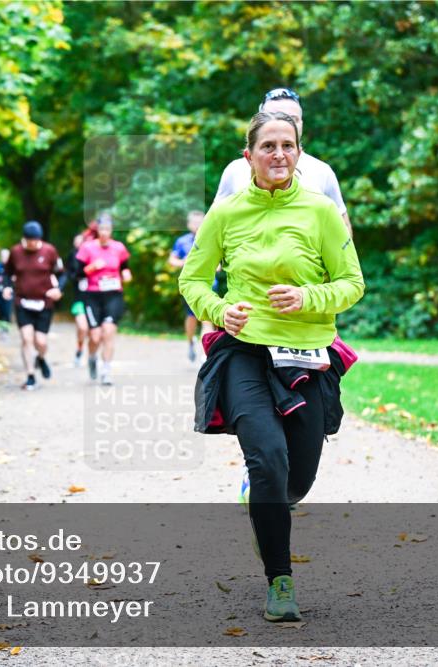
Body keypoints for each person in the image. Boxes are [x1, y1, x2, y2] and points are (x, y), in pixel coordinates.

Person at [179, 111, 364, 622]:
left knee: (295, 481)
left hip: (307, 354)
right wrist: (220, 310)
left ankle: (265, 505)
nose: (278, 154)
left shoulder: (322, 212)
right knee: (267, 459)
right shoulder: (226, 213)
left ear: (299, 154)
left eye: (288, 145)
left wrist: (308, 297)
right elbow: (191, 281)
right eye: (268, 146)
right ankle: (280, 582)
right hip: (244, 350)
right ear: (249, 156)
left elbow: (352, 283)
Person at [215, 87, 353, 237]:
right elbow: (214, 229)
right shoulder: (235, 171)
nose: (283, 124)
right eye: (275, 116)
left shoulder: (322, 172)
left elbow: (343, 231)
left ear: (301, 123)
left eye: (292, 119)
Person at [3, 221, 65, 390]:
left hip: (44, 302)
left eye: (36, 240)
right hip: (22, 302)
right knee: (26, 338)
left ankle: (41, 358)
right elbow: (7, 274)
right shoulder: (15, 252)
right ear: (24, 239)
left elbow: (62, 274)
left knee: (41, 341)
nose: (33, 243)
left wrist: (58, 289)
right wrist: (7, 287)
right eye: (30, 240)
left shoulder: (49, 251)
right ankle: (30, 375)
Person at [76, 213, 131, 386]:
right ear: (97, 230)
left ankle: (106, 371)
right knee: (95, 336)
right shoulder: (87, 248)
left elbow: (125, 267)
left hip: (113, 295)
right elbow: (76, 273)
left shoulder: (119, 248)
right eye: (102, 229)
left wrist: (126, 274)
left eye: (108, 229)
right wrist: (91, 267)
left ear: (111, 230)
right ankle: (92, 357)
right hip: (92, 296)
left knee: (108, 332)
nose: (105, 232)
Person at [168, 210, 212, 362]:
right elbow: (172, 261)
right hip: (190, 288)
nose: (198, 225)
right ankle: (190, 342)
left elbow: (219, 264)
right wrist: (184, 262)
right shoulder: (182, 241)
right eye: (195, 223)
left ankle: (205, 354)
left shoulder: (211, 239)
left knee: (207, 319)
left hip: (209, 287)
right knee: (192, 318)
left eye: (201, 222)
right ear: (189, 224)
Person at [66, 232, 92, 367]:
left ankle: (92, 356)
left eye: (81, 241)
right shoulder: (73, 256)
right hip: (79, 299)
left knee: (94, 332)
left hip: (95, 299)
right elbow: (69, 274)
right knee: (82, 327)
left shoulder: (94, 254)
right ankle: (79, 349)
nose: (78, 244)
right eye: (76, 242)